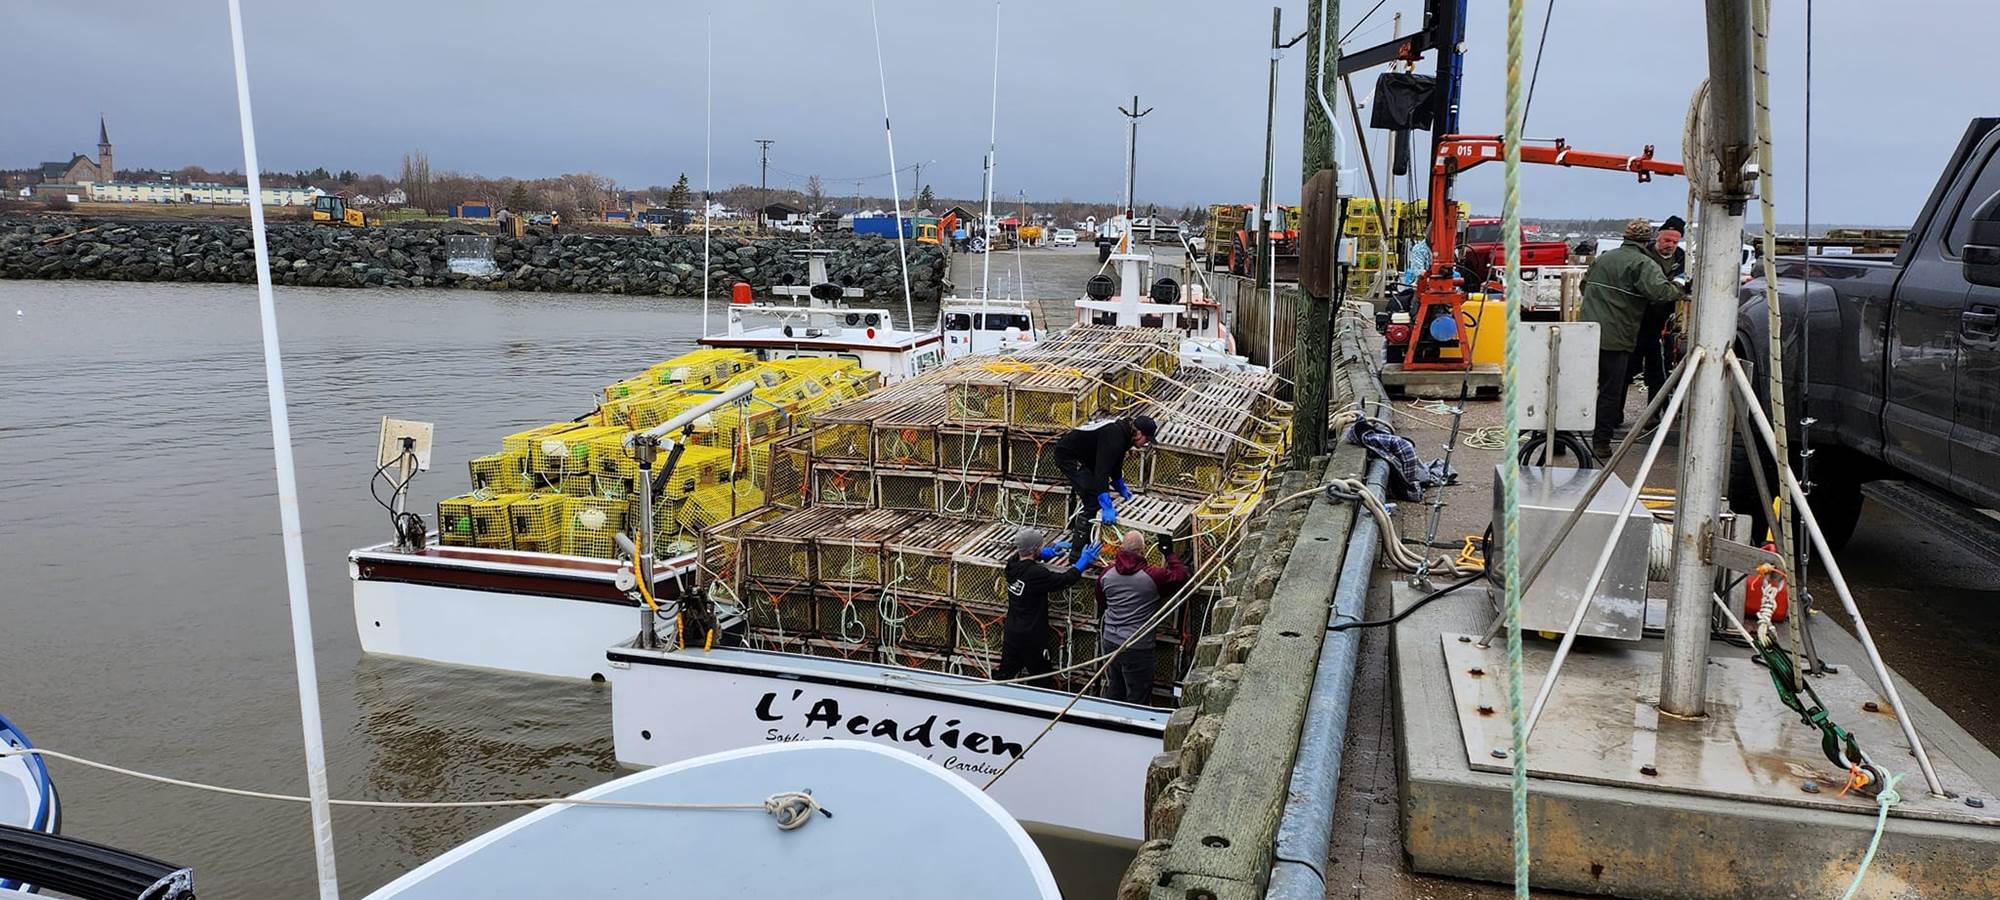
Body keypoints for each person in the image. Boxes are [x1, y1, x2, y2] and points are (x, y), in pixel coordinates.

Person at [1580, 218, 1684, 457]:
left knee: (1578, 386)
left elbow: (1585, 287)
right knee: (1610, 389)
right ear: (1649, 239)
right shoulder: (1642, 263)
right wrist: (1679, 284)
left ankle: (1563, 436)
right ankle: (1601, 442)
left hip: (1587, 333)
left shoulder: (1604, 258)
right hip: (1618, 336)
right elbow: (1661, 293)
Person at [998, 527, 1102, 686]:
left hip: (1012, 633)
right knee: (1041, 682)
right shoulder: (1036, 573)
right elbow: (1065, 579)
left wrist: (1049, 553)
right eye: (1040, 547)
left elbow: (1021, 556)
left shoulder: (1011, 567)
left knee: (1004, 676)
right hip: (1032, 637)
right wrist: (1082, 562)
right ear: (1035, 549)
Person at [1094, 531, 1189, 705]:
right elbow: (1180, 576)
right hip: (1137, 646)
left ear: (1121, 548)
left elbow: (1101, 601)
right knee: (1138, 695)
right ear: (1144, 550)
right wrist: (1168, 553)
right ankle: (1132, 728)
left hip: (1110, 641)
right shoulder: (1154, 576)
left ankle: (1109, 726)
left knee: (1115, 688)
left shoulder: (1106, 574)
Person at [1051, 414, 1158, 549]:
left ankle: (1085, 537)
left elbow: (1115, 460)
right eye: (1146, 439)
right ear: (1138, 434)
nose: (1146, 443)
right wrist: (1106, 505)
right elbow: (1101, 473)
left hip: (1088, 455)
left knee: (1095, 491)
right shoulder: (1115, 436)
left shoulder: (1125, 432)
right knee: (1093, 498)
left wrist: (1119, 483)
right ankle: (1078, 547)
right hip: (1069, 455)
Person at [1629, 215, 1688, 399]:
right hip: (1638, 321)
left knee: (1659, 373)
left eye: (1675, 241)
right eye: (1666, 240)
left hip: (1664, 323)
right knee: (1627, 370)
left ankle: (1654, 417)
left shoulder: (1681, 258)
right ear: (1657, 237)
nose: (1670, 245)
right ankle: (1615, 416)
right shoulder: (1642, 255)